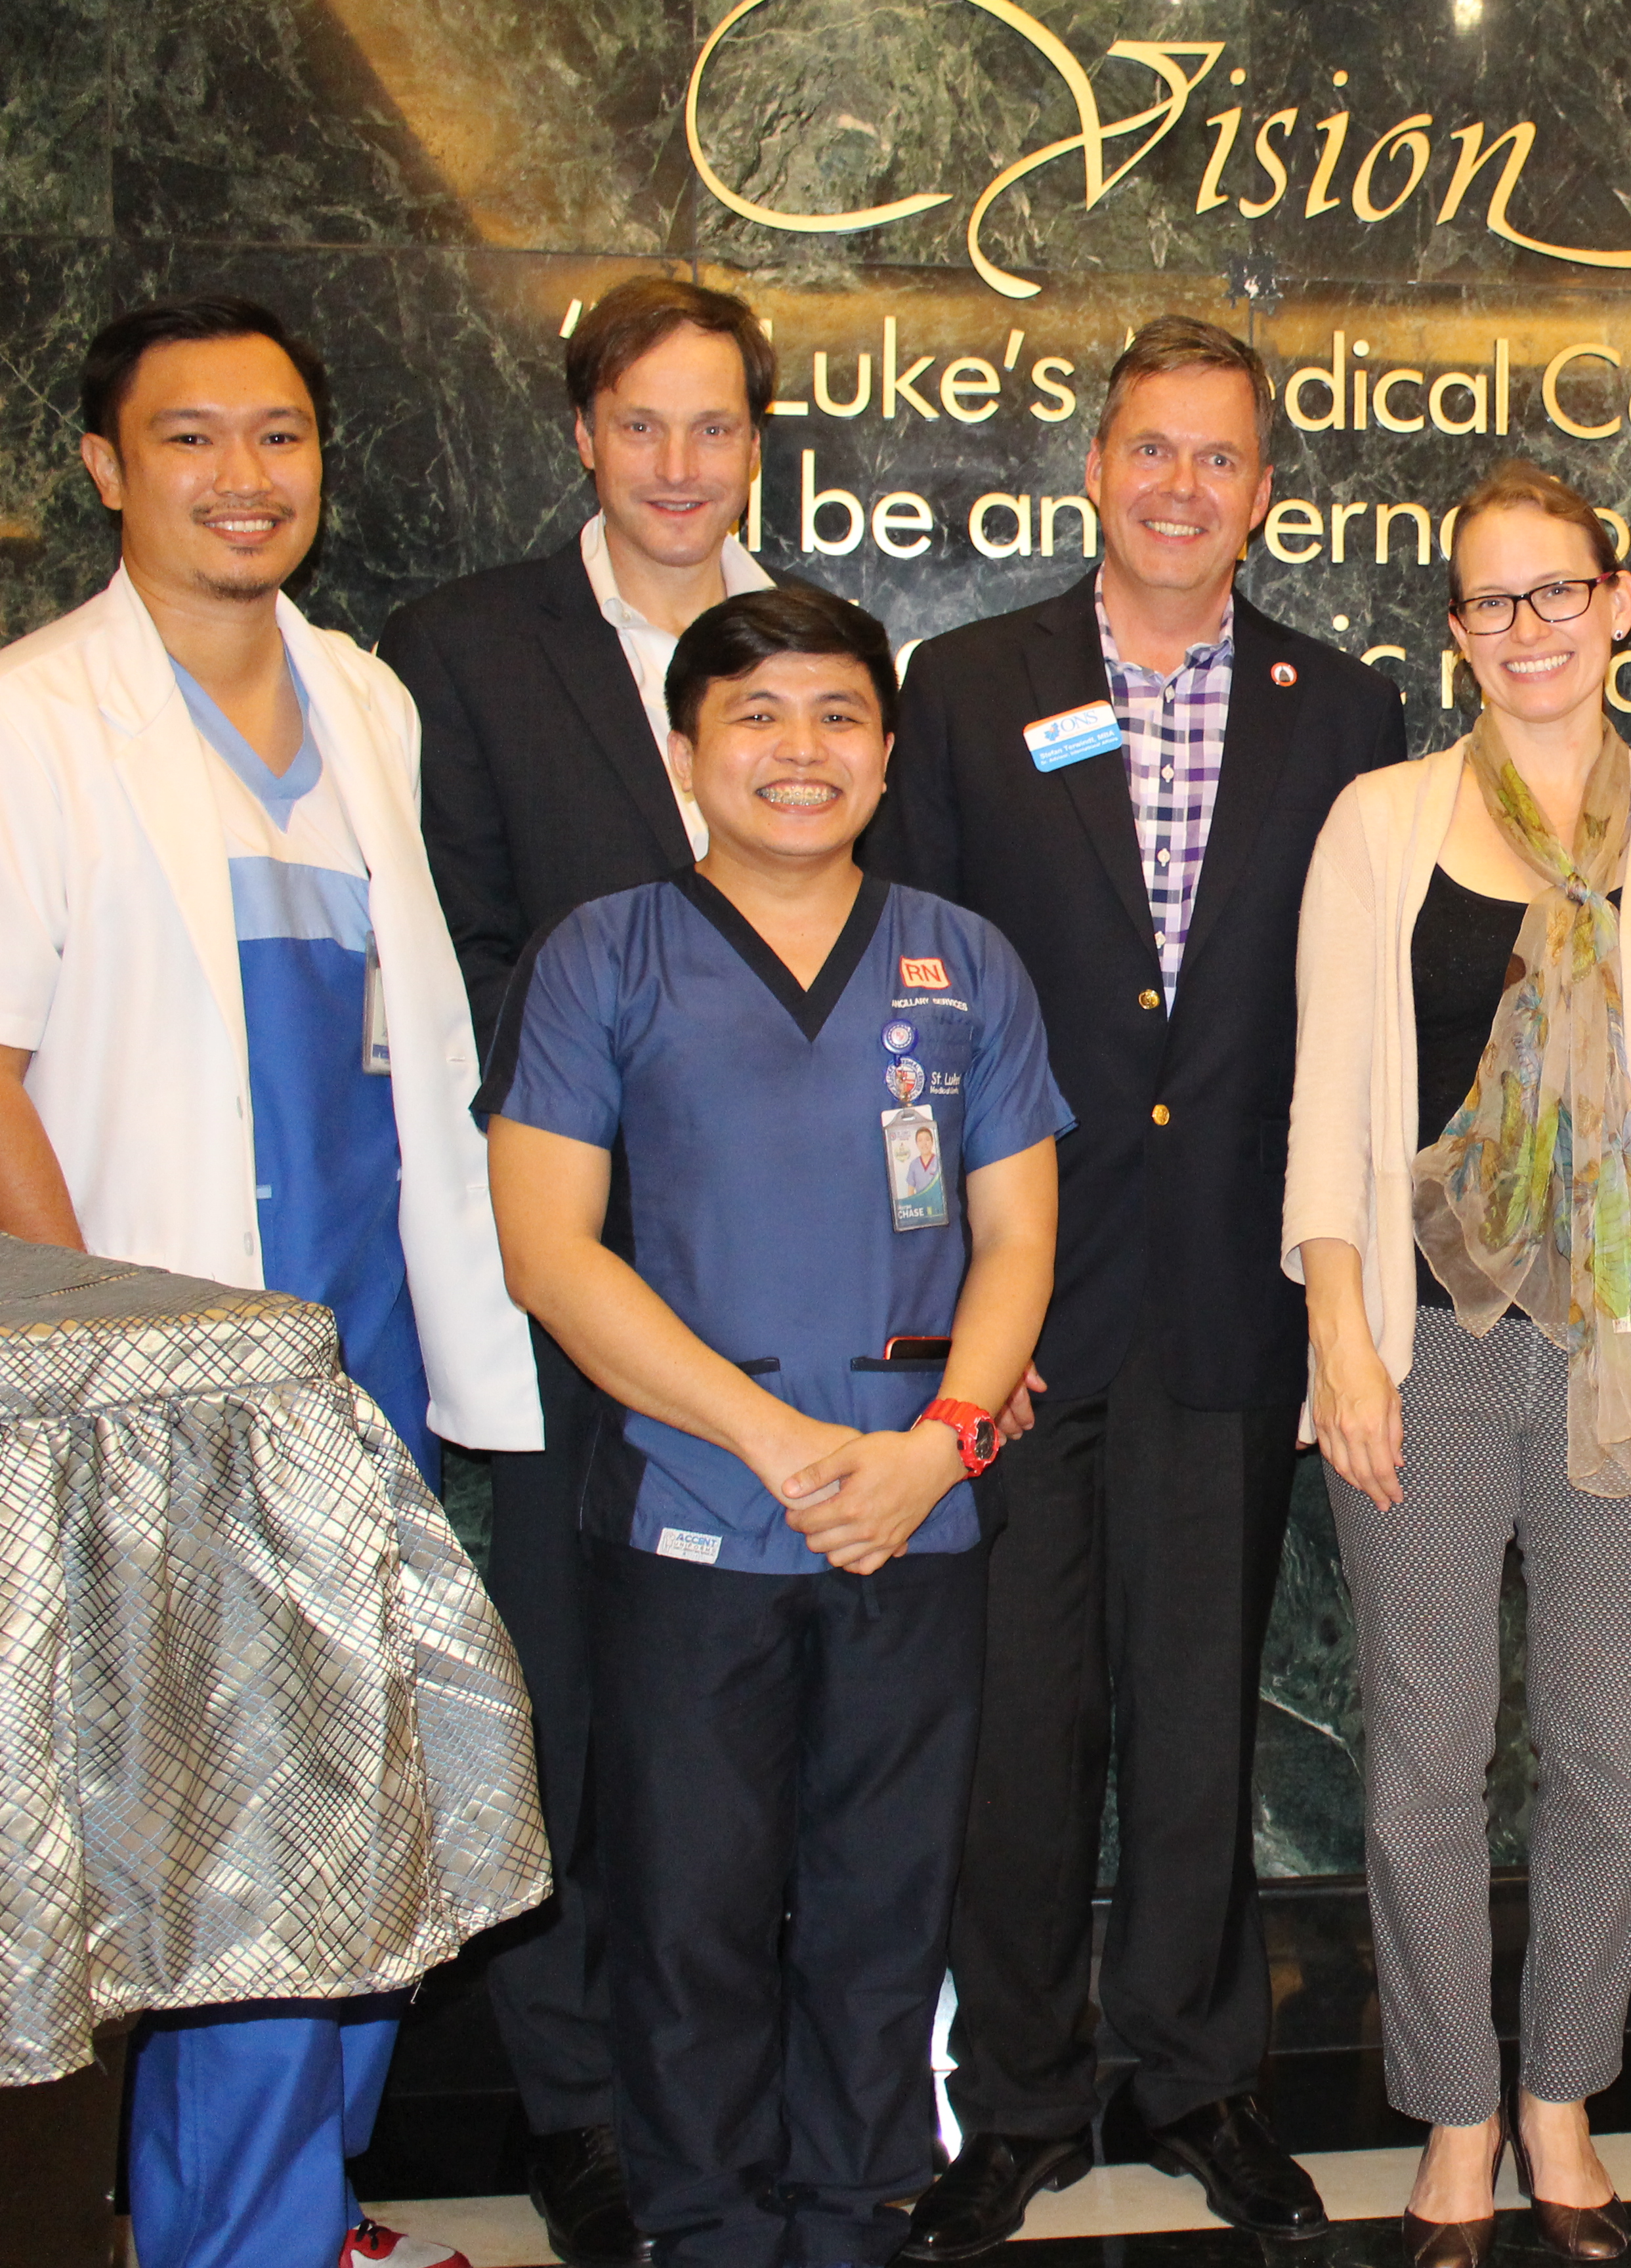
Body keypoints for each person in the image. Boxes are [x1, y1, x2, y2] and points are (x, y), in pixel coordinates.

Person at [0, 295, 543, 2268]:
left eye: (282, 438)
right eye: (193, 439)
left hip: (356, 1349)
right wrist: (81, 1377)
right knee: (256, 1839)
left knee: (366, 1808)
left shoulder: (367, 704)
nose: (245, 479)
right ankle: (251, 2234)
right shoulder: (35, 717)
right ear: (104, 467)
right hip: (156, 1381)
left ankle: (284, 2203)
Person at [866, 314, 1407, 2254]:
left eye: (1221, 460)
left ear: (1266, 494)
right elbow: (907, 1019)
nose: (1183, 488)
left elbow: (1359, 1020)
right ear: (1097, 468)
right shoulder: (966, 683)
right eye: (1151, 451)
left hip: (1225, 1302)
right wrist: (942, 1319)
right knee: (1017, 1725)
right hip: (1016, 1304)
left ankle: (1191, 2083)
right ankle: (1012, 2101)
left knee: (1201, 1716)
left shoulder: (1340, 710)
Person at [484, 585, 1069, 2268]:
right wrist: (773, 1442)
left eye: (834, 718)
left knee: (887, 1904)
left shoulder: (970, 965)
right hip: (691, 1512)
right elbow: (547, 1251)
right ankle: (710, 2227)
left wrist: (936, 1448)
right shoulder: (604, 954)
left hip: (918, 1511)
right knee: (691, 1913)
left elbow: (1021, 1239)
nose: (796, 753)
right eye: (753, 717)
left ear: (886, 755)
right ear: (687, 755)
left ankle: (851, 2215)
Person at [1287, 460, 1631, 2267]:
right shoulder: (1374, 825)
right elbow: (1328, 1101)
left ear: (1620, 602)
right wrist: (1336, 1337)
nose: (1526, 631)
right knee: (1425, 1756)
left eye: (1554, 594)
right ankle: (1452, 2118)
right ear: (1455, 632)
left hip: (1626, 1349)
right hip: (1419, 1346)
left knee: (1603, 1756)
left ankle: (1564, 2100)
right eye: (1489, 604)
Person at [381, 271, 784, 2268]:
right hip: (557, 1271)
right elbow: (444, 944)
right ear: (583, 438)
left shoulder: (793, 657)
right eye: (646, 426)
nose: (683, 467)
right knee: (558, 1694)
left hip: (774, 1287)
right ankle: (577, 2110)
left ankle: (710, 2081)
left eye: (717, 428)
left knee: (713, 1709)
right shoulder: (461, 650)